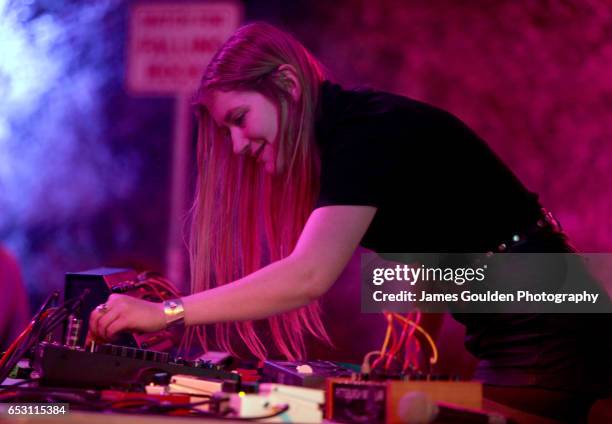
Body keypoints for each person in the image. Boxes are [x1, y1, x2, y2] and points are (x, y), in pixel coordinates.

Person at [89, 22, 610, 421]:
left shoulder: (363, 133)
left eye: (239, 119)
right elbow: (444, 248)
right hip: (538, 309)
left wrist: (166, 313)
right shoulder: (349, 134)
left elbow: (308, 276)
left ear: (287, 84)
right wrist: (411, 351)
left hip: (548, 321)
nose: (238, 145)